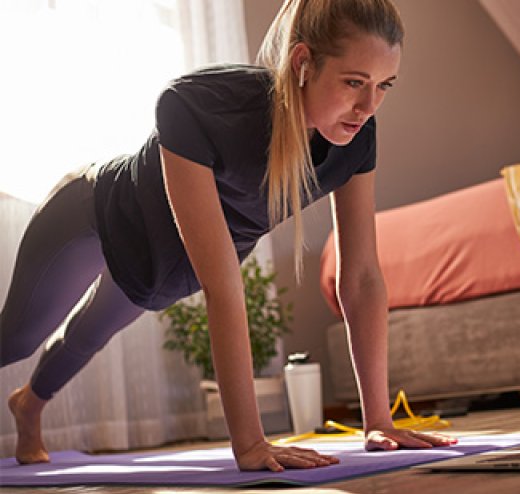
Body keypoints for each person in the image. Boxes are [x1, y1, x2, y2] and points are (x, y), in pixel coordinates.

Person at [0, 0, 456, 472]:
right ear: (302, 63)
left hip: (159, 266)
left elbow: (360, 277)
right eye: (354, 83)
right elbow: (222, 288)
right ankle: (25, 396)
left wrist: (377, 419)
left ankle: (28, 405)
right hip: (92, 214)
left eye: (384, 86)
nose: (368, 106)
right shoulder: (199, 105)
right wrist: (251, 443)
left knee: (88, 335)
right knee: (15, 340)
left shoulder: (356, 137)